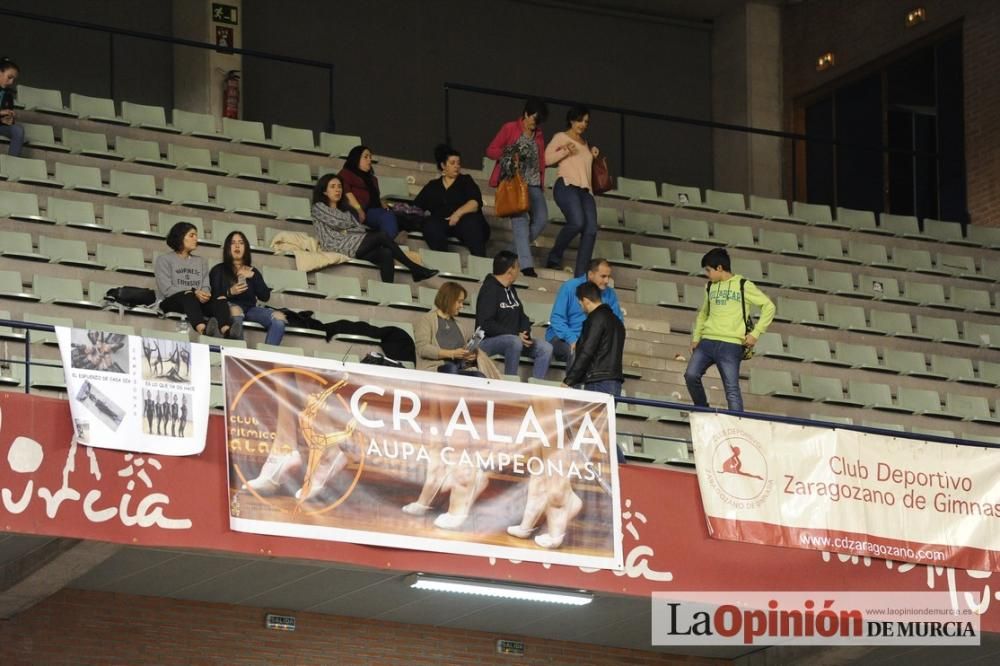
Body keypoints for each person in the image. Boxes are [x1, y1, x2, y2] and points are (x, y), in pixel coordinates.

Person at [684, 248, 776, 412]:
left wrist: (756, 334)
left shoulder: (743, 285)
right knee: (691, 375)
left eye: (708, 270)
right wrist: (696, 338)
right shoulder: (710, 287)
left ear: (719, 268)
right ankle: (702, 410)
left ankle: (736, 427)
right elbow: (703, 313)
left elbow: (769, 306)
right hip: (707, 342)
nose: (707, 274)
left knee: (732, 390)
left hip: (731, 344)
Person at [312, 173, 438, 284]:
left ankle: (388, 290)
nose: (337, 190)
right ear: (324, 191)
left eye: (339, 186)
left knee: (386, 253)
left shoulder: (346, 210)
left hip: (351, 243)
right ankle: (415, 269)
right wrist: (349, 223)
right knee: (381, 235)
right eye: (333, 187)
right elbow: (338, 222)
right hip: (334, 244)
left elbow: (358, 229)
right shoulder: (318, 207)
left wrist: (350, 224)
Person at [562, 280, 626, 463]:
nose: (580, 306)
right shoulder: (617, 322)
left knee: (595, 430)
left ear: (585, 300)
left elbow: (588, 351)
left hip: (598, 381)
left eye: (580, 303)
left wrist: (570, 380)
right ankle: (621, 466)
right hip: (613, 381)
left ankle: (621, 465)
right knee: (600, 429)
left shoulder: (595, 319)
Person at [486, 99, 550, 277]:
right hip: (514, 182)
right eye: (533, 119)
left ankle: (508, 252)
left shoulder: (538, 134)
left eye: (538, 121)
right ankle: (526, 266)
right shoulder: (509, 128)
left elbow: (541, 160)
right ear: (526, 114)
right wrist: (509, 152)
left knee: (542, 219)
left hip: (534, 183)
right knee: (520, 223)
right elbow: (491, 150)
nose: (534, 124)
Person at [475, 250, 552, 379]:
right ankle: (510, 382)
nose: (519, 271)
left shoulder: (511, 289)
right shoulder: (489, 289)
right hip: (487, 341)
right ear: (510, 271)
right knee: (514, 341)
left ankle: (537, 387)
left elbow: (522, 316)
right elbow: (486, 324)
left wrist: (525, 333)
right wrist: (515, 334)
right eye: (517, 267)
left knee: (546, 348)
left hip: (515, 338)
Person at [544, 105, 601, 277]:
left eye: (586, 122)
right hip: (567, 185)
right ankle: (554, 257)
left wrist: (594, 156)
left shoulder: (586, 144)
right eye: (580, 120)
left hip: (585, 191)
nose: (583, 124)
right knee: (577, 222)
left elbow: (586, 169)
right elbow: (546, 159)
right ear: (571, 120)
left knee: (591, 229)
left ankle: (581, 274)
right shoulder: (561, 137)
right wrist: (566, 151)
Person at [155, 221, 233, 337]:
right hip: (172, 301)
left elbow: (206, 285)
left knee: (220, 298)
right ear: (180, 237)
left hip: (197, 302)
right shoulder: (164, 260)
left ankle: (227, 330)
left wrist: (205, 294)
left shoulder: (201, 261)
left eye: (196, 235)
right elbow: (166, 289)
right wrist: (194, 292)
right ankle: (203, 329)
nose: (196, 239)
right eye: (191, 235)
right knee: (188, 295)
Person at [210, 231, 286, 346]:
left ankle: (267, 357)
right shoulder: (218, 270)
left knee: (279, 319)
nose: (237, 246)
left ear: (245, 248)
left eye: (241, 243)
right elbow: (213, 295)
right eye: (233, 243)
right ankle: (239, 354)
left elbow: (265, 296)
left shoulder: (252, 271)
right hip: (227, 307)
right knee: (236, 310)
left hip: (250, 309)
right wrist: (230, 292)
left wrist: (253, 276)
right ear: (227, 248)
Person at [546, 258, 623, 372]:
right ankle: (571, 388)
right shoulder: (569, 287)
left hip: (591, 342)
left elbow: (617, 323)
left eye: (608, 276)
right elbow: (557, 319)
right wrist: (572, 339)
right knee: (579, 351)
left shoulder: (610, 294)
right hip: (562, 339)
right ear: (591, 274)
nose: (607, 281)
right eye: (603, 276)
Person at [414, 144, 491, 257]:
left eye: (458, 163)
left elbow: (474, 203)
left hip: (465, 223)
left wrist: (457, 214)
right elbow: (417, 207)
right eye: (452, 163)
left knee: (471, 222)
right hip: (443, 223)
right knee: (430, 224)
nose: (457, 166)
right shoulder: (433, 186)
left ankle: (480, 261)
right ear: (443, 165)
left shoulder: (466, 180)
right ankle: (443, 259)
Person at [415, 281, 501, 378]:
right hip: (437, 370)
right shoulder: (427, 319)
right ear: (449, 300)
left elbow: (462, 354)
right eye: (459, 302)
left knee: (479, 376)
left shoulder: (459, 325)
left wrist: (469, 356)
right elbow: (422, 349)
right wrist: (452, 354)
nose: (462, 306)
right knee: (451, 369)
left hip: (458, 368)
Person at [339, 145, 403, 238]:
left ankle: (388, 240)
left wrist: (382, 204)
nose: (369, 160)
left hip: (372, 212)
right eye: (365, 157)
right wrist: (359, 209)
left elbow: (374, 196)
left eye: (370, 157)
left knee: (390, 215)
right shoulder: (346, 173)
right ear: (356, 158)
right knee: (386, 217)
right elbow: (347, 194)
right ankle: (389, 241)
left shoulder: (373, 179)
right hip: (355, 211)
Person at [0, 58, 24, 157]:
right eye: (9, 77)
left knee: (18, 130)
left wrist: (8, 120)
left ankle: (12, 164)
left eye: (13, 79)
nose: (11, 82)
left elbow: (6, 116)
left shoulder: (8, 95)